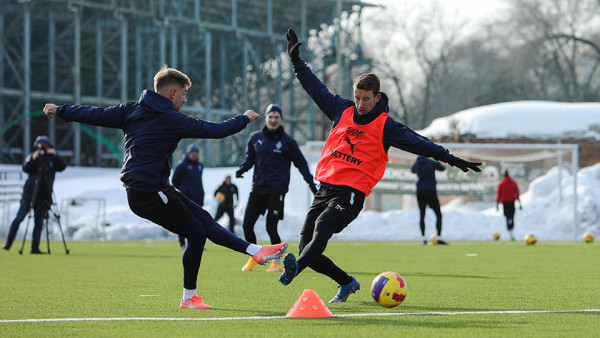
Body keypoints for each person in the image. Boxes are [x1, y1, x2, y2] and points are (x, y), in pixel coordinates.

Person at [42, 65, 288, 309]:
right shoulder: (172, 118)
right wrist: (244, 118)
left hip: (150, 189)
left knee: (202, 221)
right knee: (197, 232)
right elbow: (215, 130)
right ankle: (195, 293)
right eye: (183, 94)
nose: (184, 99)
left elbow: (93, 114)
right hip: (148, 190)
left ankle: (253, 253)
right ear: (172, 94)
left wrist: (62, 110)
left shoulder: (130, 110)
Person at [278, 28, 481, 303]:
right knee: (306, 248)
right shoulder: (341, 109)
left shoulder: (386, 125)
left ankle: (295, 269)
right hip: (325, 188)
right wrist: (296, 62)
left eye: (366, 99)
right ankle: (347, 282)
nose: (360, 104)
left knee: (323, 227)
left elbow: (420, 143)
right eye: (357, 97)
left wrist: (452, 159)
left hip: (351, 192)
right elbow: (315, 87)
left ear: (377, 97)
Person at [236, 103, 317, 273]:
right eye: (270, 117)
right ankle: (253, 257)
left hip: (276, 190)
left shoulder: (288, 142)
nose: (273, 120)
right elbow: (249, 159)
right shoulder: (255, 138)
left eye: (276, 117)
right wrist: (243, 168)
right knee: (247, 225)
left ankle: (277, 261)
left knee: (271, 227)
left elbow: (301, 163)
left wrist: (311, 183)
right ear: (265, 118)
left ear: (281, 119)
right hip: (258, 189)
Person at [2, 136, 67, 254]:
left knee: (39, 222)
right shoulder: (32, 157)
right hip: (29, 195)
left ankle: (34, 248)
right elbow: (25, 168)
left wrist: (55, 154)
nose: (43, 150)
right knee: (19, 218)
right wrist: (33, 158)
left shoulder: (52, 159)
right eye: (40, 147)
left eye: (46, 147)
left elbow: (62, 167)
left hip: (44, 196)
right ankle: (8, 243)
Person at [172, 143, 204, 250]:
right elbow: (174, 181)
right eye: (193, 153)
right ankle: (182, 243)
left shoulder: (200, 165)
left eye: (196, 153)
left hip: (198, 198)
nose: (195, 155)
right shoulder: (181, 166)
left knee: (198, 222)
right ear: (189, 153)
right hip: (185, 198)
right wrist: (185, 191)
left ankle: (196, 243)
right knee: (183, 220)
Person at [411, 156, 447, 245]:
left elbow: (412, 170)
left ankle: (423, 238)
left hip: (420, 191)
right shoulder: (431, 162)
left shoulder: (417, 163)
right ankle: (439, 238)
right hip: (431, 191)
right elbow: (442, 168)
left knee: (422, 215)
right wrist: (434, 159)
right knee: (438, 215)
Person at [496, 169, 521, 241]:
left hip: (505, 202)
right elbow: (517, 193)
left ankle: (510, 234)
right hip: (511, 202)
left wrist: (497, 203)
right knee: (512, 217)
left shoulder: (501, 183)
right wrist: (519, 202)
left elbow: (498, 194)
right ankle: (511, 233)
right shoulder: (513, 183)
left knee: (507, 218)